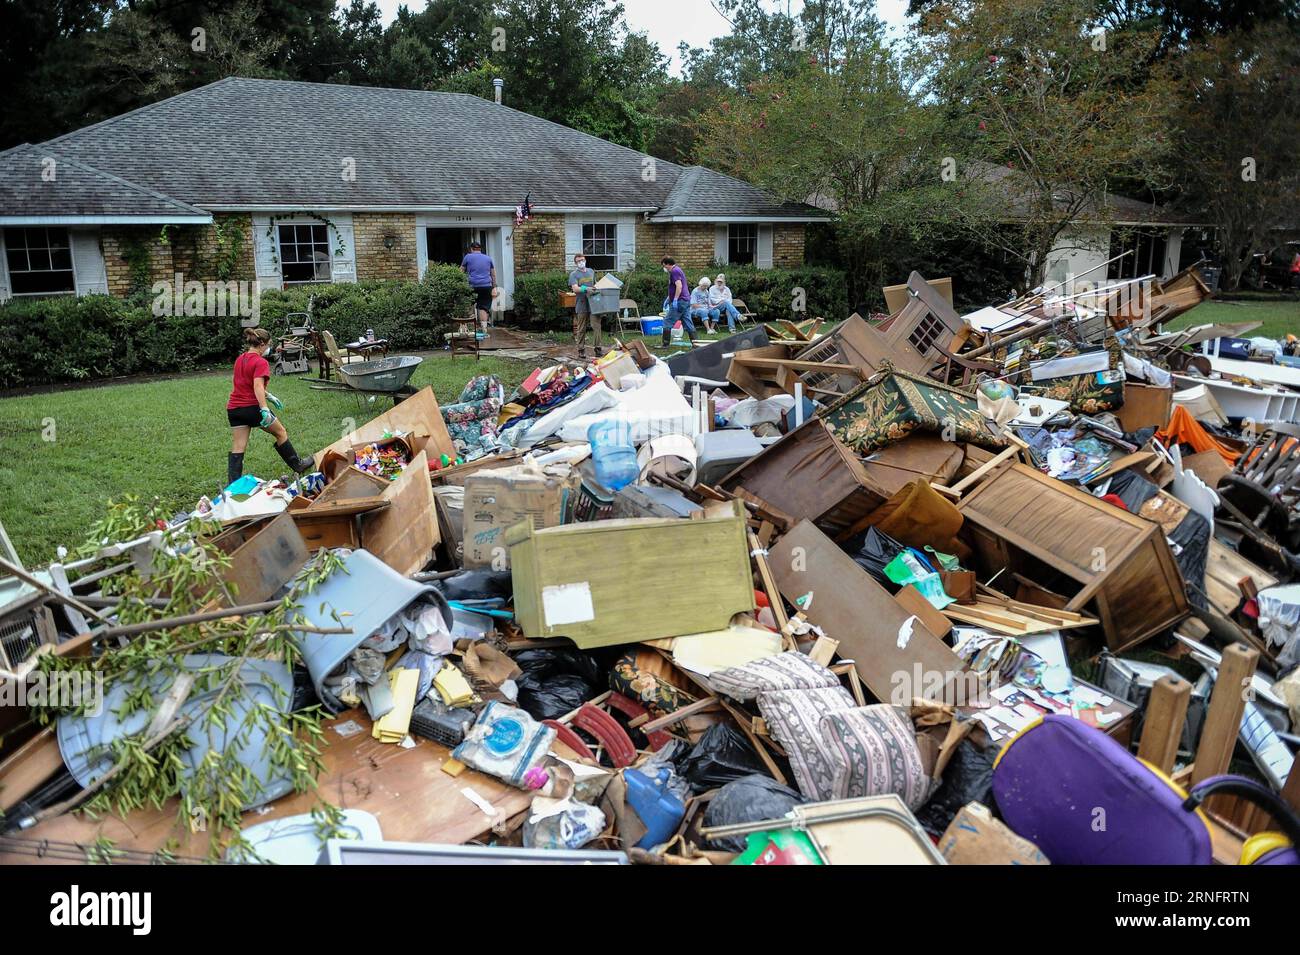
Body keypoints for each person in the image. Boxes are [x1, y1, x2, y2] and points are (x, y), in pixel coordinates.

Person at [226, 327, 313, 488]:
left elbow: (245, 384)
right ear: (262, 344)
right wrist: (264, 408)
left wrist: (269, 395)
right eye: (268, 345)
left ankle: (233, 485)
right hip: (252, 408)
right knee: (281, 433)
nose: (268, 348)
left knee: (238, 446)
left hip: (234, 409)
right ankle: (298, 465)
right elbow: (257, 386)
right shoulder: (260, 362)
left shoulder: (240, 359)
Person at [568, 252, 600, 359]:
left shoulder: (591, 271)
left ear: (585, 260)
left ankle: (598, 349)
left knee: (597, 326)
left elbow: (595, 285)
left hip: (593, 303)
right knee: (581, 328)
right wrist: (586, 289)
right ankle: (581, 350)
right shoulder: (574, 274)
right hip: (582, 303)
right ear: (576, 263)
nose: (581, 262)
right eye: (578, 261)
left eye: (582, 260)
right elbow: (575, 289)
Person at [460, 241, 496, 331]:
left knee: (469, 305)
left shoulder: (468, 257)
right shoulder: (488, 258)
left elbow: (460, 272)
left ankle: (471, 329)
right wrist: (494, 287)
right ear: (480, 249)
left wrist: (459, 283)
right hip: (486, 286)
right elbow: (493, 274)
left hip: (472, 285)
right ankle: (484, 329)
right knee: (483, 308)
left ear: (471, 249)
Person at [661, 256, 695, 347]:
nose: (664, 268)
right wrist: (669, 298)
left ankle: (665, 344)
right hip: (685, 300)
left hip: (680, 301)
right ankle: (696, 343)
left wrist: (675, 299)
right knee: (688, 323)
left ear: (669, 264)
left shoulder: (674, 271)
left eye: (665, 266)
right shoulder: (677, 269)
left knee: (667, 322)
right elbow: (675, 287)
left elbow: (679, 286)